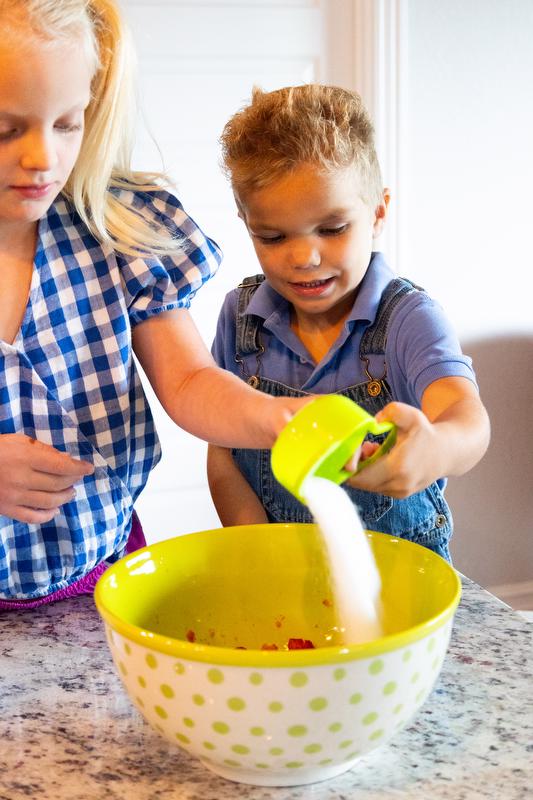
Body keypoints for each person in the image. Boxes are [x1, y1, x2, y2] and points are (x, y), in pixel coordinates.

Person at [0, 2, 308, 606]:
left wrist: (278, 420)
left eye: (67, 123)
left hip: (104, 582)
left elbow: (191, 380)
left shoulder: (115, 232)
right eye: (7, 127)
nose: (43, 158)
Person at [208, 84, 490, 561]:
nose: (304, 258)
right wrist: (256, 549)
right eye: (273, 236)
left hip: (397, 578)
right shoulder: (241, 322)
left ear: (378, 212)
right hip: (283, 569)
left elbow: (467, 420)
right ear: (246, 224)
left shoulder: (408, 320)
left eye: (332, 229)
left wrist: (436, 448)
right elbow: (222, 454)